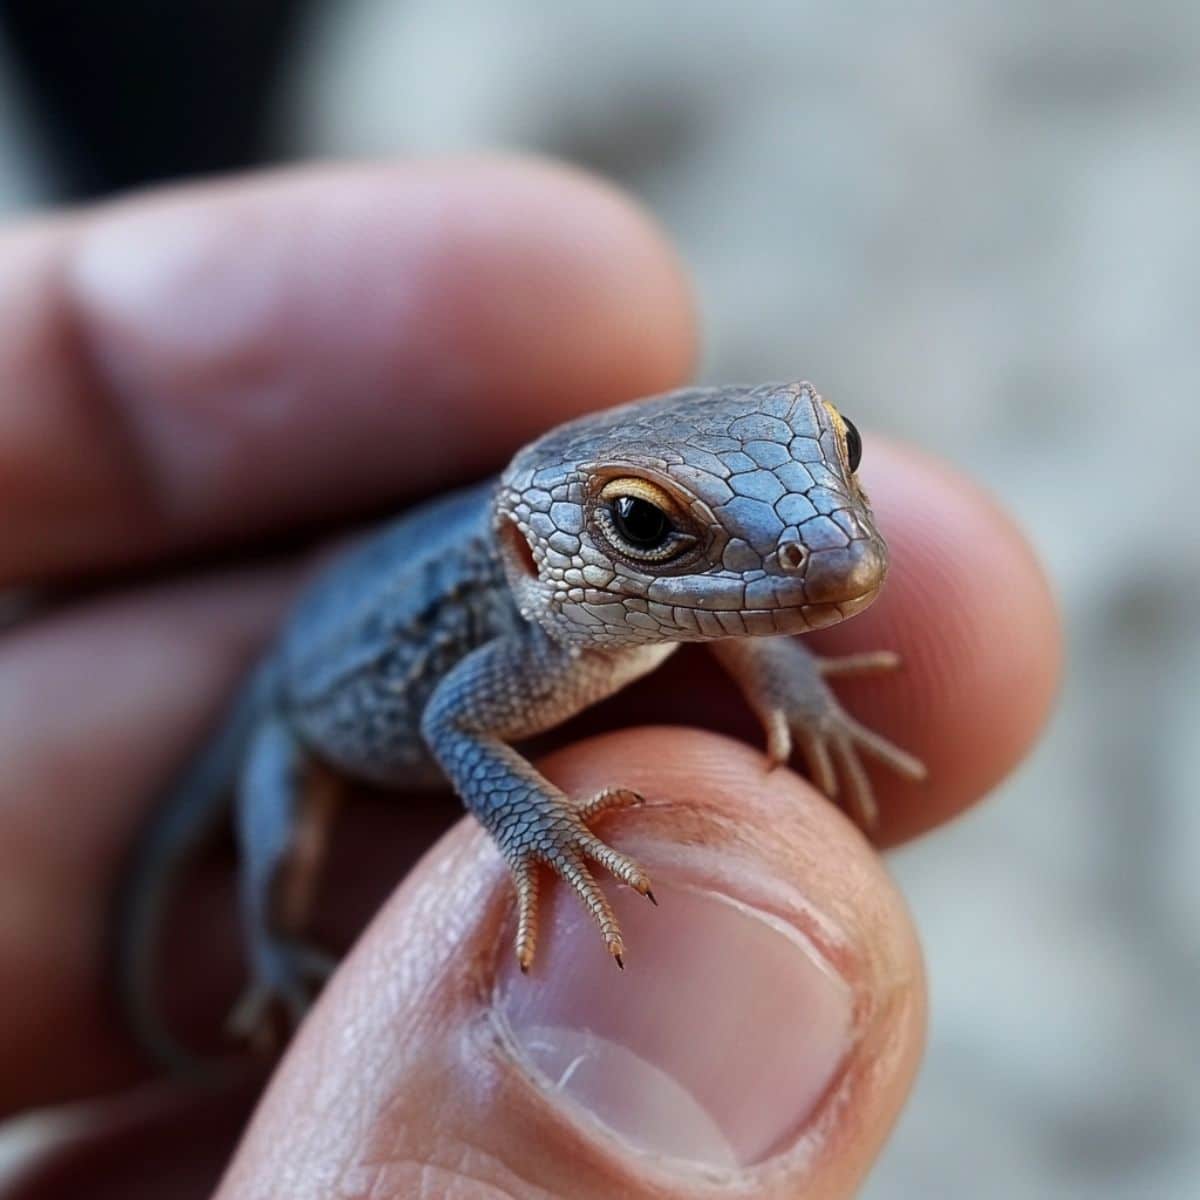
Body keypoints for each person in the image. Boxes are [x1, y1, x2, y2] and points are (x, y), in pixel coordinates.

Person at [0, 157, 1059, 1198]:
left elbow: (726, 618)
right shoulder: (538, 645)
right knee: (287, 852)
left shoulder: (626, 601)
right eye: (646, 525)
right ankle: (275, 954)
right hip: (298, 712)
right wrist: (542, 832)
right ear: (528, 551)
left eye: (838, 449)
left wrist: (792, 687)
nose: (830, 548)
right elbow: (458, 723)